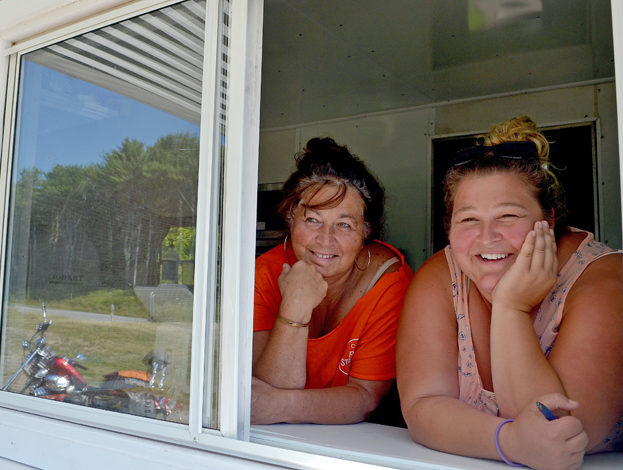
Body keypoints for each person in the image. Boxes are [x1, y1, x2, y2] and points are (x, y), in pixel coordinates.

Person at [397, 116, 623, 470]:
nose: (487, 238)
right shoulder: (441, 275)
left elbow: (559, 434)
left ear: (547, 221)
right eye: (468, 220)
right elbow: (422, 405)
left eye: (507, 216)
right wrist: (508, 442)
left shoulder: (604, 280)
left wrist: (510, 308)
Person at [251, 137, 413, 425]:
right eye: (313, 219)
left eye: (344, 225)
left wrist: (283, 405)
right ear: (291, 217)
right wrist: (295, 308)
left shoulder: (389, 284)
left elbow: (364, 398)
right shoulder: (264, 273)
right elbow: (266, 391)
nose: (325, 240)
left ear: (366, 231)